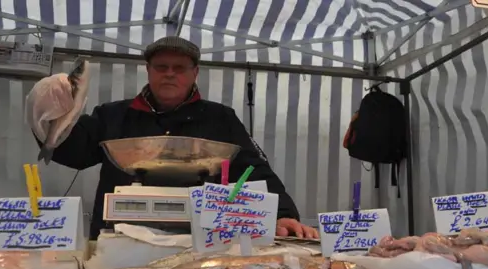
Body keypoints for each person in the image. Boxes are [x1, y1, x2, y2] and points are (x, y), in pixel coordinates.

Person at [33, 36, 319, 240]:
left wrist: (281, 213)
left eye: (179, 68)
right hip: (118, 236)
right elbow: (73, 153)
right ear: (148, 70)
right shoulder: (112, 115)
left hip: (200, 239)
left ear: (195, 73)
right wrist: (46, 118)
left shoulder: (221, 118)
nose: (169, 74)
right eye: (161, 66)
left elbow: (252, 168)